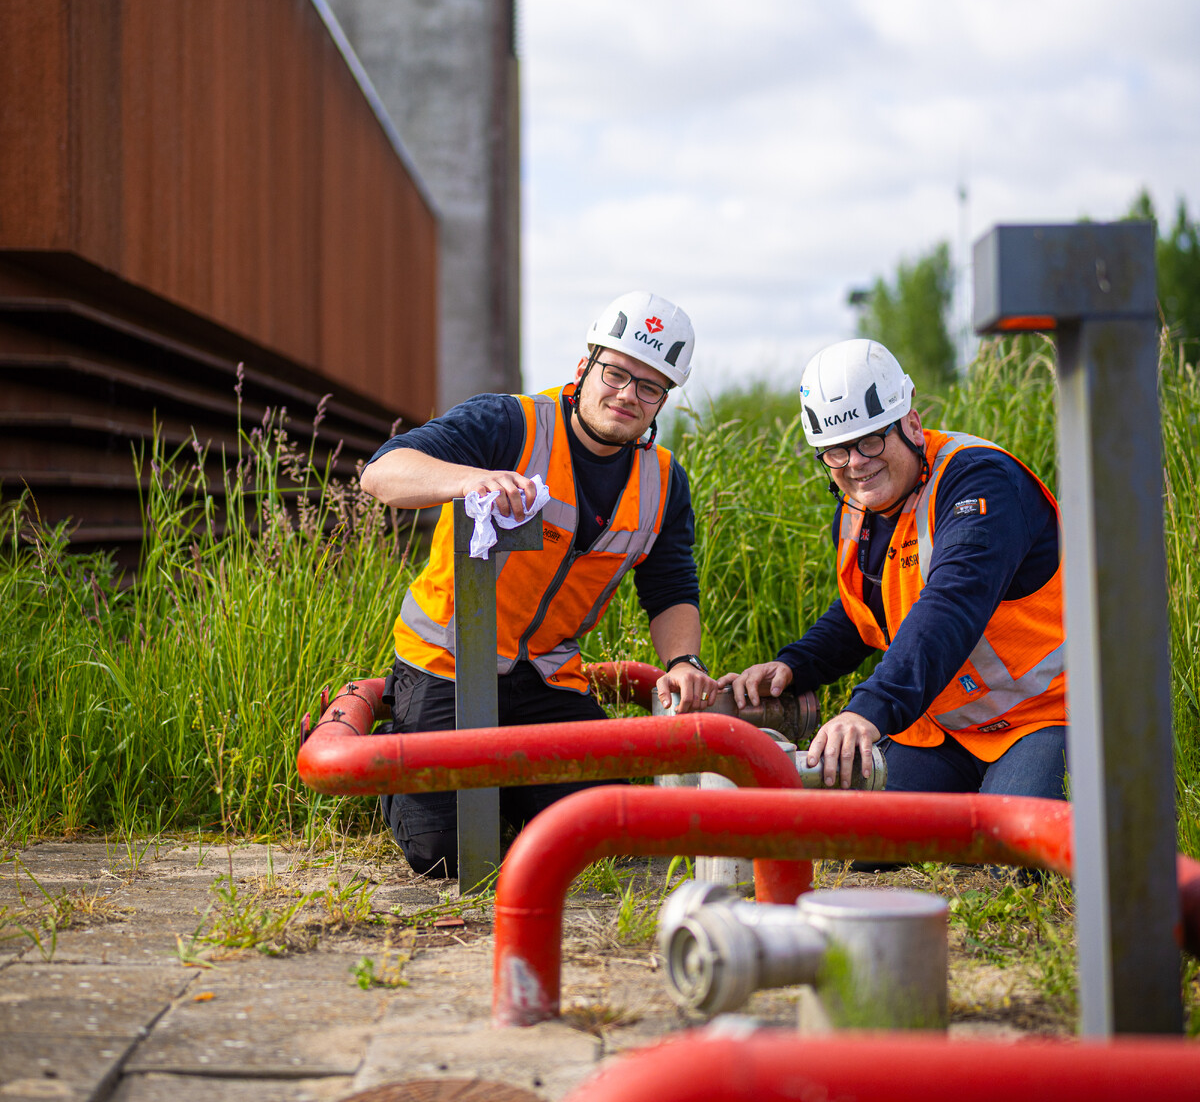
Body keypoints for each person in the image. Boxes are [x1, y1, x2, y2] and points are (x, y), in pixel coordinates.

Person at [360, 291, 714, 876]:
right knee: (446, 857)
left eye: (649, 387)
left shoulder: (663, 481)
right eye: (616, 373)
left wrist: (684, 662)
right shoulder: (508, 423)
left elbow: (670, 585)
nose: (627, 395)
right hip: (446, 667)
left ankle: (512, 786)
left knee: (608, 834)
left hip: (547, 676)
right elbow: (383, 473)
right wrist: (476, 479)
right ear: (585, 368)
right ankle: (412, 759)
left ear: (663, 401)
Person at [721, 338, 1066, 802]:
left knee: (1019, 858)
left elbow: (951, 604)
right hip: (949, 732)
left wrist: (870, 709)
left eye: (870, 439)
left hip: (1049, 716)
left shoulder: (980, 481)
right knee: (858, 838)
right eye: (837, 451)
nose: (857, 463)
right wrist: (794, 666)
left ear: (912, 424)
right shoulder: (859, 510)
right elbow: (864, 611)